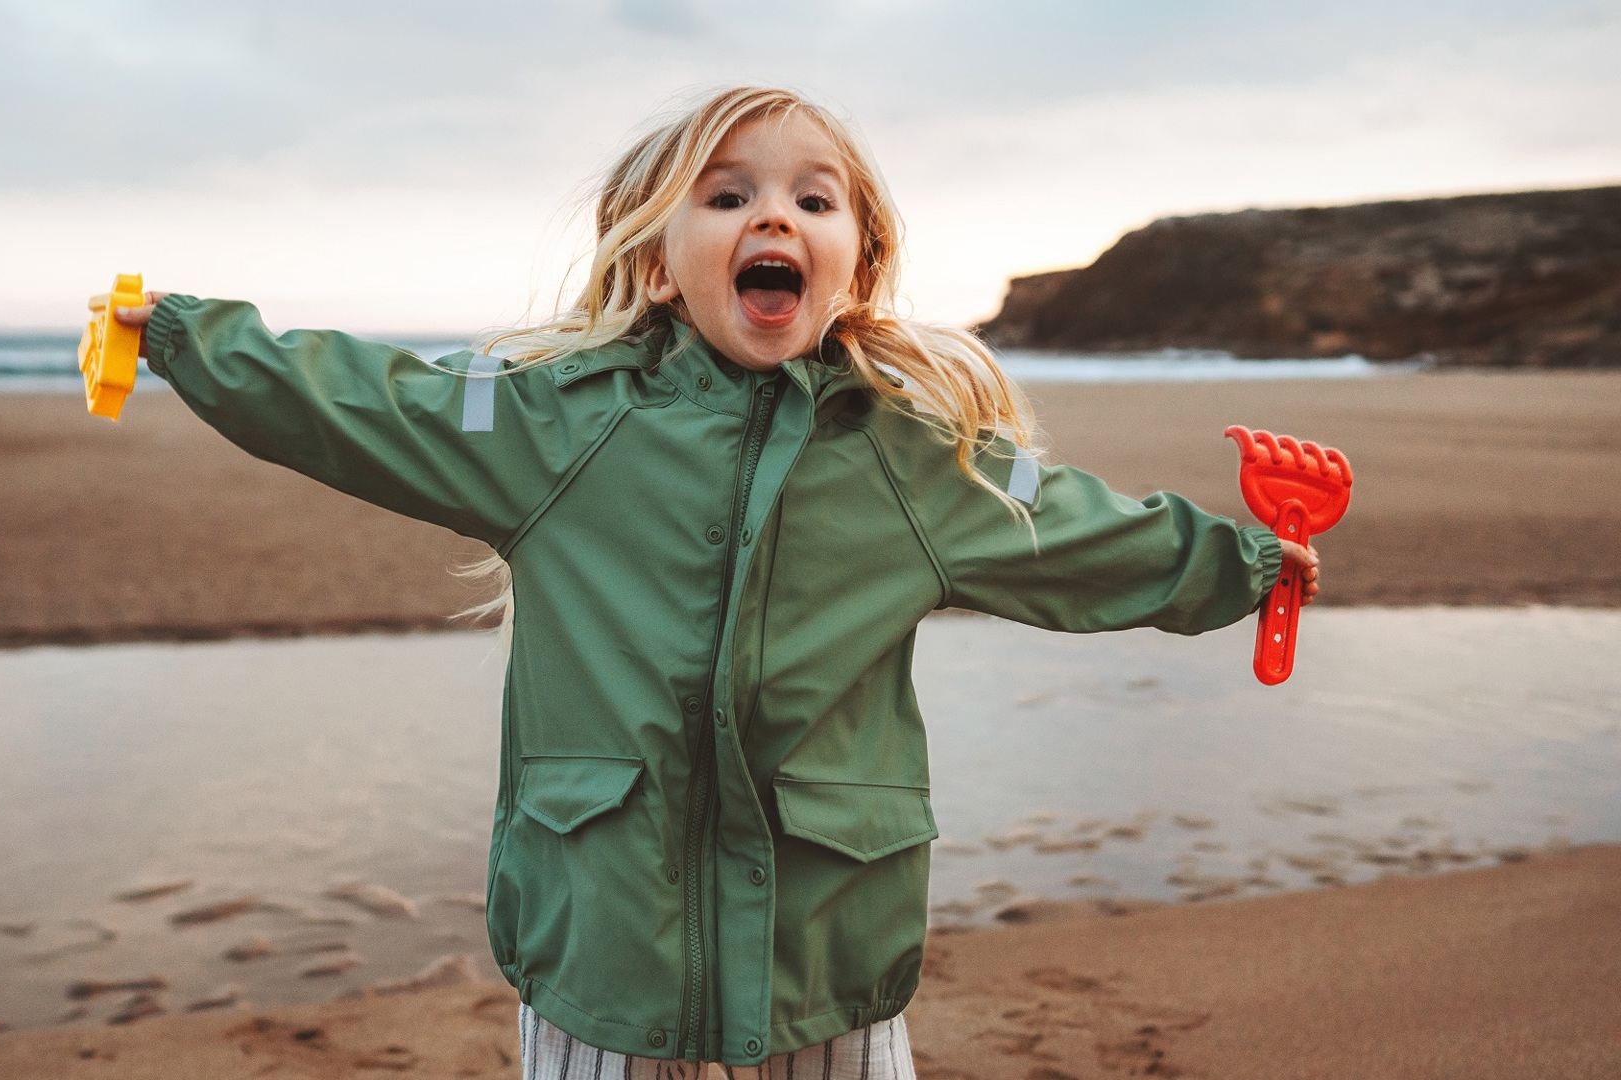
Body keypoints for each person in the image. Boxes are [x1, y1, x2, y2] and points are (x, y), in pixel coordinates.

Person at [115, 85, 1320, 1077]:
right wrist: (179, 334)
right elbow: (360, 401)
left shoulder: (914, 460)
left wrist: (1251, 564)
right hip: (606, 942)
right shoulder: (554, 430)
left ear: (856, 264)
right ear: (653, 262)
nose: (774, 217)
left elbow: (1082, 534)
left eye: (813, 197)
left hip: (827, 949)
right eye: (728, 194)